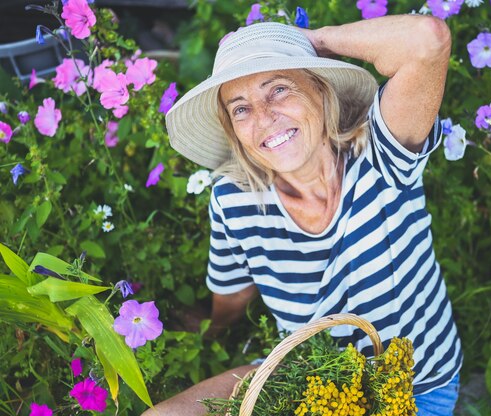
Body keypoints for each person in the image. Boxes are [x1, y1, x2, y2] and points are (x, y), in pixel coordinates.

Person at [148, 13, 460, 416]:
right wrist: (211, 332)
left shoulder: (380, 156)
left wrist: (315, 41)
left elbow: (427, 39)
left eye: (278, 89)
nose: (263, 118)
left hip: (414, 387)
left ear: (320, 89)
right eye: (241, 109)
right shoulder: (234, 197)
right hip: (304, 379)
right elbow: (231, 296)